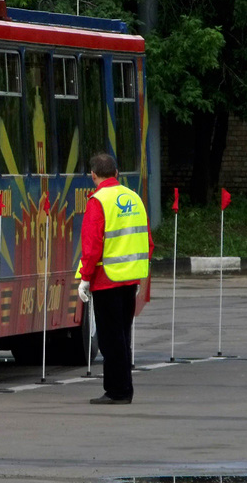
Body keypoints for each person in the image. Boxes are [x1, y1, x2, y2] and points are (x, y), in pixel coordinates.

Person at [76, 152, 153, 405]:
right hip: (130, 279)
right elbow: (148, 243)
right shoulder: (134, 198)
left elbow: (92, 244)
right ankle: (120, 388)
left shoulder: (98, 200)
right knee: (122, 335)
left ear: (93, 175)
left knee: (111, 340)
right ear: (117, 173)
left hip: (106, 278)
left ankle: (118, 391)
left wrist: (85, 278)